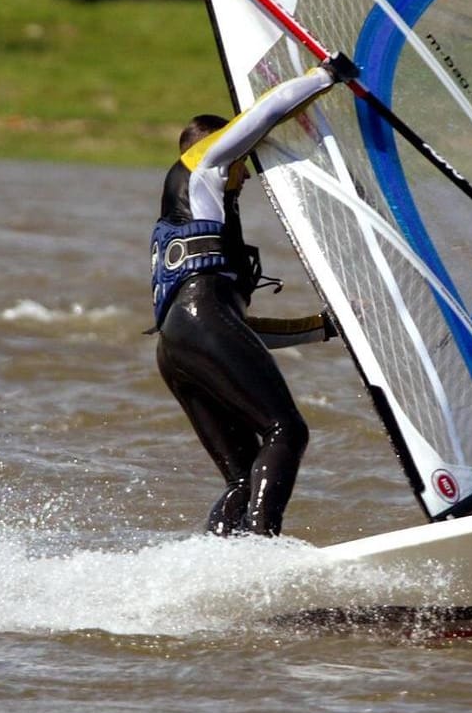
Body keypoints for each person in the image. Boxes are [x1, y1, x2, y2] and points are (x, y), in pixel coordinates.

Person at [149, 56, 356, 537]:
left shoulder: (192, 222)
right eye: (246, 160)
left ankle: (224, 564)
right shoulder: (202, 165)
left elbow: (233, 332)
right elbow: (266, 112)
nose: (249, 171)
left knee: (243, 477)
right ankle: (264, 551)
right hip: (199, 325)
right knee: (288, 431)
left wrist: (321, 327)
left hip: (177, 344)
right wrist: (325, 76)